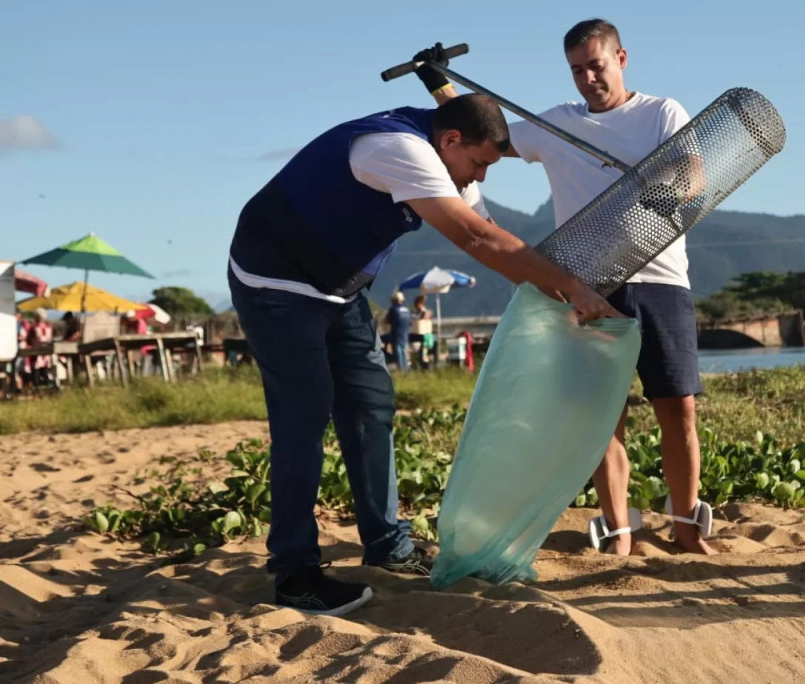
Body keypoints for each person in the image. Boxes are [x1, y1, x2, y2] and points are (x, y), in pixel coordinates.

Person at [227, 92, 621, 617]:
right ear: (450, 141)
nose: (479, 179)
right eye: (479, 164)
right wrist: (573, 287)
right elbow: (478, 239)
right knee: (305, 411)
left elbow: (497, 236)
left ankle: (387, 545)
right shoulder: (396, 149)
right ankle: (294, 574)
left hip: (340, 287)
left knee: (370, 404)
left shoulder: (448, 160)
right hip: (274, 278)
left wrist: (557, 298)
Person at [413, 21, 715, 556]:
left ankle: (686, 526)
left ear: (621, 57)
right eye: (577, 70)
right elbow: (484, 138)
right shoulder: (555, 125)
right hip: (589, 286)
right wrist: (441, 86)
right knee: (603, 415)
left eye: (597, 65)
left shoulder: (661, 113)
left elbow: (693, 167)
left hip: (660, 278)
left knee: (679, 407)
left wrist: (676, 189)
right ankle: (620, 532)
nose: (589, 78)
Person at [385, 291, 412, 370]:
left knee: (398, 352)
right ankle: (405, 368)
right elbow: (410, 322)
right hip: (405, 334)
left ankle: (400, 369)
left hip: (396, 333)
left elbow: (387, 320)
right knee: (404, 351)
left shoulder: (393, 309)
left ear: (394, 300)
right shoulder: (407, 309)